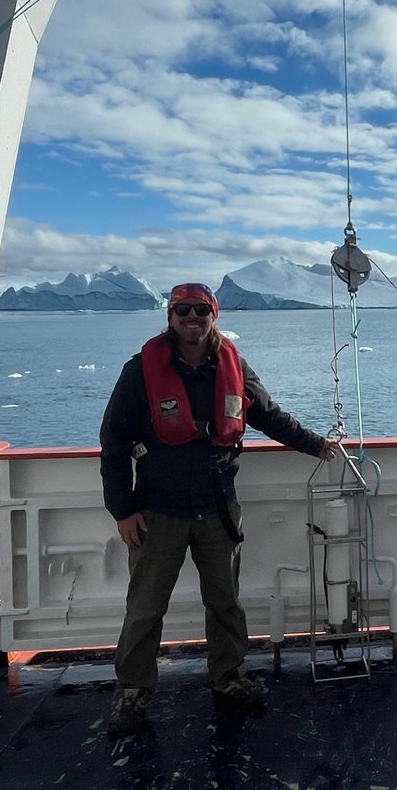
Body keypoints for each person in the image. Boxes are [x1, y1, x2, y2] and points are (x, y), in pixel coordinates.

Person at [100, 282, 336, 737]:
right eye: (182, 310)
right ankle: (131, 692)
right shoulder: (140, 371)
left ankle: (228, 678)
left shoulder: (233, 366)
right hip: (158, 512)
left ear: (214, 314)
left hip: (217, 508)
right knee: (146, 608)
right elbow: (113, 443)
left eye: (200, 310)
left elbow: (269, 416)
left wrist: (316, 445)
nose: (192, 318)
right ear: (170, 317)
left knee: (225, 602)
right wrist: (123, 509)